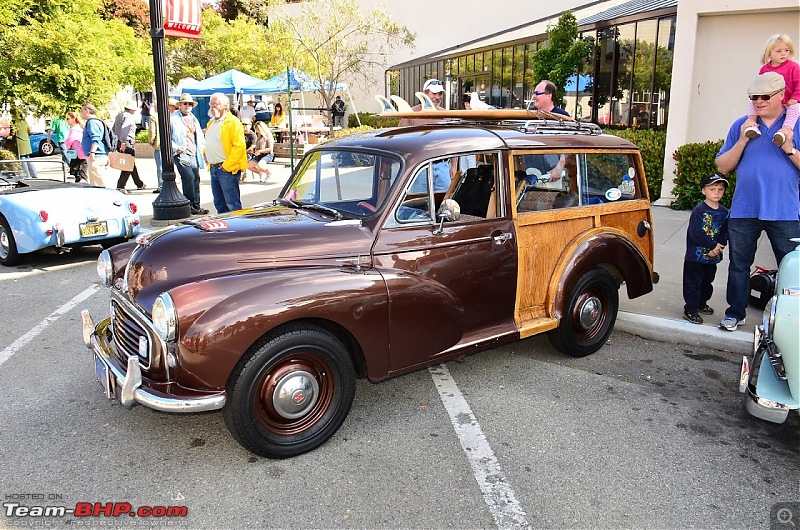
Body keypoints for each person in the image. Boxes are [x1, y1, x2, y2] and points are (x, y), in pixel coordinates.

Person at [716, 72, 800, 331]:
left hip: (784, 211)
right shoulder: (743, 124)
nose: (759, 101)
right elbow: (723, 166)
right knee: (739, 266)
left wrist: (789, 148)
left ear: (781, 96)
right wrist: (743, 139)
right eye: (754, 97)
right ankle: (735, 313)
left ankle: (790, 321)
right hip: (744, 209)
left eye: (765, 96)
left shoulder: (795, 125)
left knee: (791, 268)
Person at [682, 174, 730, 324]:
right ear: (704, 191)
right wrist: (712, 245)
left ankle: (702, 303)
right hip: (695, 257)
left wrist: (719, 246)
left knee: (707, 281)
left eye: (720, 189)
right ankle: (690, 308)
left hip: (713, 256)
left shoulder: (724, 212)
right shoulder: (699, 210)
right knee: (693, 282)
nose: (716, 192)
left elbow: (725, 231)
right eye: (712, 189)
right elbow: (695, 233)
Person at [743, 34, 800, 146]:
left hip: (789, 100)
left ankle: (785, 130)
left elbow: (799, 84)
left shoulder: (793, 66)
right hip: (769, 100)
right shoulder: (764, 69)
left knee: (796, 109)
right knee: (753, 103)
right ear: (769, 52)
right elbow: (759, 87)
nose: (783, 54)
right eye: (778, 51)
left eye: (787, 50)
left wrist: (795, 98)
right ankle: (751, 124)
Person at [205, 92, 247, 214]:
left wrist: (226, 166)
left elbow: (239, 147)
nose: (212, 107)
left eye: (215, 104)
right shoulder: (211, 122)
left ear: (225, 106)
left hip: (226, 169)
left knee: (232, 205)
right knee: (219, 203)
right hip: (214, 168)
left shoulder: (232, 122)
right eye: (211, 104)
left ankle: (237, 231)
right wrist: (205, 153)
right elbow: (212, 140)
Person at [170, 93, 208, 215]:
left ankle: (196, 206)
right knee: (188, 178)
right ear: (180, 105)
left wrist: (203, 152)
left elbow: (200, 138)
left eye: (190, 104)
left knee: (196, 179)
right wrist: (176, 148)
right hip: (182, 153)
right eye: (185, 103)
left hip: (194, 153)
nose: (187, 106)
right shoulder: (173, 118)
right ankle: (189, 205)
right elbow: (166, 138)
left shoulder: (193, 118)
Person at [112, 100, 145, 191]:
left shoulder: (119, 116)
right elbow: (125, 129)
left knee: (130, 164)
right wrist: (123, 142)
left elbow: (114, 129)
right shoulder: (129, 117)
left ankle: (139, 183)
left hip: (120, 141)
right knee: (128, 164)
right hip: (127, 142)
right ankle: (121, 185)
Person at [80, 103, 111, 187]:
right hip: (97, 155)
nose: (81, 113)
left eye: (82, 110)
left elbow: (96, 138)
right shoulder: (94, 121)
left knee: (100, 181)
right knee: (95, 182)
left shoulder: (92, 122)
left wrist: (92, 152)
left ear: (87, 111)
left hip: (96, 156)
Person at [64, 111, 87, 183]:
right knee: (82, 171)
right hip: (82, 152)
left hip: (78, 153)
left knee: (75, 172)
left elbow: (69, 141)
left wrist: (66, 143)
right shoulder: (80, 127)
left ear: (73, 119)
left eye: (68, 119)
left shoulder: (74, 129)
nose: (67, 121)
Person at [12, 110, 37, 178]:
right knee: (27, 158)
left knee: (23, 159)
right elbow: (29, 131)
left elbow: (13, 133)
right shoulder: (25, 122)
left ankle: (27, 175)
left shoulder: (15, 123)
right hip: (26, 142)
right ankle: (34, 174)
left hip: (20, 142)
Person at [148, 102, 163, 193]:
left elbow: (152, 132)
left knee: (160, 167)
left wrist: (150, 141)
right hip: (171, 146)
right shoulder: (171, 115)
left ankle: (161, 186)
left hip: (159, 145)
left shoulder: (154, 117)